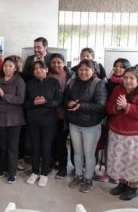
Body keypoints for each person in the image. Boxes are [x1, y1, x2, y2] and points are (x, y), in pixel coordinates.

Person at [106, 66, 138, 200]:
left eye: (131, 78)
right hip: (118, 132)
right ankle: (122, 183)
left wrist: (126, 106)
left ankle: (134, 186)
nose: (128, 81)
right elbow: (109, 107)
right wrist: (117, 107)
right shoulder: (118, 89)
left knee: (134, 160)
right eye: (126, 78)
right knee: (120, 158)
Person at [64, 59, 107, 193]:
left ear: (93, 71)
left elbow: (101, 106)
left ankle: (88, 179)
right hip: (74, 123)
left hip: (91, 125)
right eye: (81, 69)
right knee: (77, 152)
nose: (83, 72)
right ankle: (78, 175)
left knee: (89, 154)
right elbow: (65, 98)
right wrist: (69, 103)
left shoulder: (98, 84)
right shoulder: (72, 81)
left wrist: (80, 106)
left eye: (86, 70)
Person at [0, 55, 26, 184]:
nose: (7, 68)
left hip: (15, 119)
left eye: (10, 66)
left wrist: (4, 95)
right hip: (0, 117)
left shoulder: (19, 81)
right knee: (3, 145)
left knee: (13, 146)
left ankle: (12, 172)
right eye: (5, 66)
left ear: (15, 68)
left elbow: (20, 100)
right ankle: (2, 168)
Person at [24, 61, 61, 187]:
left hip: (49, 121)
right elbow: (25, 104)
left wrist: (45, 102)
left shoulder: (54, 82)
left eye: (41, 68)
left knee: (46, 147)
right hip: (33, 120)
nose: (38, 70)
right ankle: (35, 172)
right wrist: (34, 103)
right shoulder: (29, 84)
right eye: (35, 68)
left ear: (46, 70)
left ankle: (44, 173)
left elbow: (58, 101)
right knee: (35, 147)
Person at [47, 53, 75, 179]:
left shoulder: (71, 76)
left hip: (65, 115)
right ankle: (52, 162)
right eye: (54, 62)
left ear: (64, 63)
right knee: (51, 141)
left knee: (61, 142)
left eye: (59, 62)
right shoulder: (47, 74)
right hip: (50, 114)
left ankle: (63, 167)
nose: (56, 65)